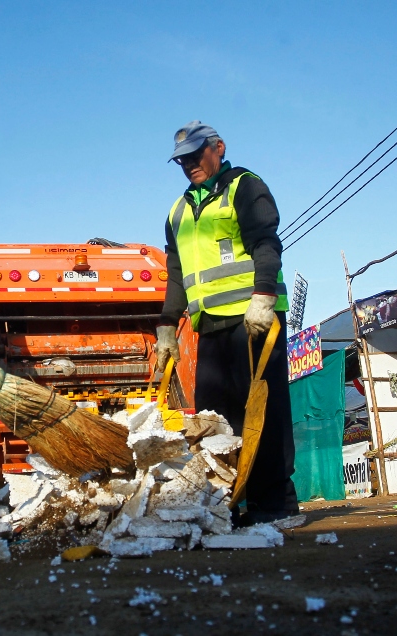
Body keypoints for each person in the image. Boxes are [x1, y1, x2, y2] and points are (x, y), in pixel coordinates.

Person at [154, 121, 298, 525]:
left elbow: (266, 243)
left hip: (254, 319)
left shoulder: (244, 187)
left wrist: (263, 296)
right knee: (215, 420)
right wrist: (166, 325)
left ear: (218, 148)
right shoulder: (178, 212)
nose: (189, 165)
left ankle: (276, 503)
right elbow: (176, 273)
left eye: (195, 155)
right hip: (211, 326)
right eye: (181, 160)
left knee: (263, 411)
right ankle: (229, 501)